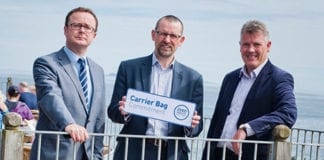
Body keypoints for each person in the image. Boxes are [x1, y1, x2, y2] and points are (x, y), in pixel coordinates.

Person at [108, 15, 204, 160]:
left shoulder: (193, 79)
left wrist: (191, 125)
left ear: (181, 40)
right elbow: (113, 111)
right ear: (154, 35)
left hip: (172, 154)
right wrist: (124, 112)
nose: (167, 40)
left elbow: (197, 127)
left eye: (173, 36)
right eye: (163, 34)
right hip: (132, 152)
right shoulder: (128, 68)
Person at [202, 20, 297, 160]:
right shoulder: (230, 78)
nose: (251, 50)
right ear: (240, 47)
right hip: (217, 154)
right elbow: (216, 121)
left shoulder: (279, 78)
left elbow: (288, 113)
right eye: (246, 44)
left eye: (257, 44)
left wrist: (247, 128)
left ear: (268, 46)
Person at [30, 7, 106, 160]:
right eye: (76, 25)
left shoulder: (98, 71)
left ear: (94, 35)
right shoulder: (46, 63)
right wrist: (68, 124)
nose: (82, 30)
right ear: (65, 30)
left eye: (87, 27)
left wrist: (97, 154)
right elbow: (50, 97)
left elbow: (99, 118)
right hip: (55, 153)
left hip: (88, 155)